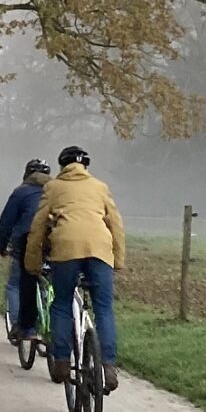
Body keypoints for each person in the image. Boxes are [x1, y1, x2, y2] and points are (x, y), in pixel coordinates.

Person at [22, 144, 126, 393]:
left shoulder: (53, 187)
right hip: (100, 250)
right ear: (85, 166)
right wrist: (118, 260)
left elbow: (37, 228)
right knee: (103, 308)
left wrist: (32, 263)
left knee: (61, 303)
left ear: (62, 166)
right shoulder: (100, 187)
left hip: (65, 250)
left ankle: (61, 361)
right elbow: (116, 224)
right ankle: (108, 366)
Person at [0, 157, 53, 344]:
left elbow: (7, 222)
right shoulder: (57, 191)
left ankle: (21, 326)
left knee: (15, 285)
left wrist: (0, 245)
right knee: (48, 282)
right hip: (52, 243)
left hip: (26, 244)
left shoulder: (21, 192)